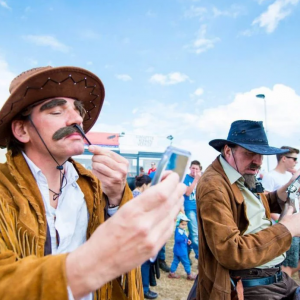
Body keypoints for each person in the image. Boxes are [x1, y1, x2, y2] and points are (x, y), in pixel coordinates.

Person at [0, 66, 186, 300]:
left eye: (78, 110)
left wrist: (118, 197)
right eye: (57, 111)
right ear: (22, 130)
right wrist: (97, 262)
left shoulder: (91, 186)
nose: (77, 118)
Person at [196, 120, 300, 300]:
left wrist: (284, 192)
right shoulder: (214, 185)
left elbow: (252, 208)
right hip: (249, 284)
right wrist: (287, 229)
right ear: (228, 150)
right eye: (250, 153)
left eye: (261, 155)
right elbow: (231, 252)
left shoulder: (239, 173)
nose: (258, 162)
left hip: (275, 277)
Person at [262, 146, 300, 278]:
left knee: (294, 264)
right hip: (282, 229)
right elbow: (265, 203)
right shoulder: (270, 176)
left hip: (295, 227)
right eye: (294, 158)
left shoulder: (291, 176)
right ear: (283, 158)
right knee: (286, 267)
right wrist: (282, 222)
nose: (296, 161)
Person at [133, 175, 158, 300]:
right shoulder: (140, 198)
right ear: (144, 185)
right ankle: (144, 289)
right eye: (149, 186)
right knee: (145, 264)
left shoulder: (132, 195)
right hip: (142, 237)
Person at [183, 160, 202, 261]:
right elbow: (187, 193)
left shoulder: (202, 179)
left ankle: (185, 253)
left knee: (193, 233)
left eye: (197, 169)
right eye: (193, 168)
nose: (194, 170)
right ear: (190, 168)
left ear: (200, 170)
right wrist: (195, 180)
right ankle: (200, 256)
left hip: (199, 208)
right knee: (195, 233)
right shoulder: (186, 178)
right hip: (189, 208)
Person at [168, 215, 196, 281]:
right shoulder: (178, 231)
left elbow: (184, 238)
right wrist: (185, 239)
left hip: (177, 250)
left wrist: (187, 240)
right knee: (186, 262)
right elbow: (178, 239)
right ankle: (189, 274)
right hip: (182, 251)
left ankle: (172, 272)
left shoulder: (181, 230)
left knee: (175, 261)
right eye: (182, 224)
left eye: (185, 224)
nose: (184, 226)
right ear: (178, 223)